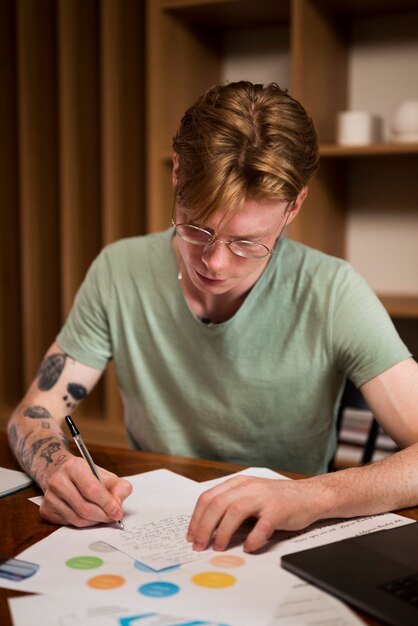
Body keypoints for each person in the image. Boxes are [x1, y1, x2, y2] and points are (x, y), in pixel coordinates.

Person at [7, 81, 418, 554]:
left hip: (276, 542)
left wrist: (314, 494)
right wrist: (55, 466)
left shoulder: (332, 292)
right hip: (147, 533)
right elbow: (31, 416)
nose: (214, 263)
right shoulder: (119, 271)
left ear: (295, 206)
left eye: (247, 243)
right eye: (197, 229)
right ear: (176, 174)